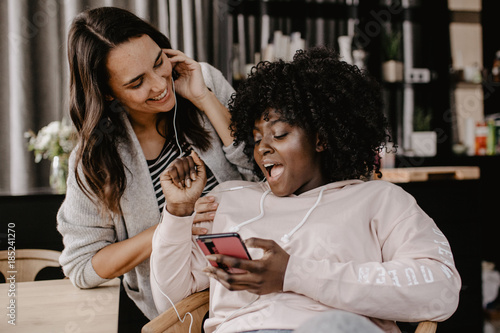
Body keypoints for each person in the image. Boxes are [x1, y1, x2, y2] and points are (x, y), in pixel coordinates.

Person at [150, 47, 461, 333]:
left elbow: (439, 289)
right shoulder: (229, 199)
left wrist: (294, 274)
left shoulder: (380, 200)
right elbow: (169, 301)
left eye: (280, 134)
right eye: (257, 139)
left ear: (321, 139)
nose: (263, 150)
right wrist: (176, 214)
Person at [57, 6, 254, 325]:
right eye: (136, 83)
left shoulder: (203, 81)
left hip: (261, 279)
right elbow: (83, 266)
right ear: (108, 94)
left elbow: (263, 168)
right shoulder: (95, 158)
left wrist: (203, 98)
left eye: (159, 61)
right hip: (186, 313)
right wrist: (173, 224)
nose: (160, 84)